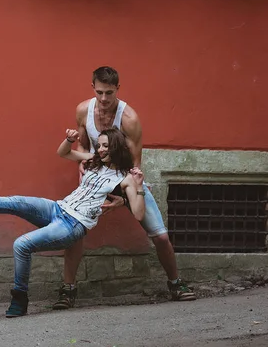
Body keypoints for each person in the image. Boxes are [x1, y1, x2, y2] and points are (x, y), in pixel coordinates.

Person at [0, 128, 146, 318]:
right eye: (99, 145)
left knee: (21, 244)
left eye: (105, 146)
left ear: (117, 147)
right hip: (57, 208)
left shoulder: (126, 178)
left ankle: (20, 298)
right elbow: (64, 153)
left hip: (73, 224)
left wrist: (139, 187)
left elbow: (138, 214)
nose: (101, 150)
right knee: (15, 202)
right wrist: (69, 139)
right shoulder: (95, 160)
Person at [52, 66, 196, 311]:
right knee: (75, 228)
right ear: (92, 88)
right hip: (96, 177)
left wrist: (123, 198)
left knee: (160, 236)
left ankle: (176, 284)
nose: (104, 99)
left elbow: (134, 165)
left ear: (118, 89)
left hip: (125, 178)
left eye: (109, 92)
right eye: (99, 92)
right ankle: (68, 290)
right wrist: (82, 165)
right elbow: (85, 147)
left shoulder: (129, 118)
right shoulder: (83, 110)